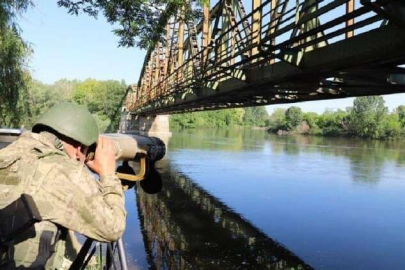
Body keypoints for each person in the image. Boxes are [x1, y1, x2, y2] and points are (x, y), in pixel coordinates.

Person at [0, 102, 126, 269]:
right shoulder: (66, 173)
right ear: (79, 148)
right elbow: (113, 228)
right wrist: (108, 174)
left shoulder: (9, 151)